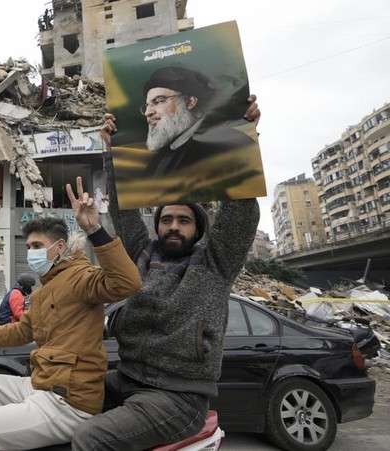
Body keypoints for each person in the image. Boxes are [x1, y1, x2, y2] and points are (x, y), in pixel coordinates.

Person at [69, 105, 261, 451]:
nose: (174, 225)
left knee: (90, 439)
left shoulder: (216, 263)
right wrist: (113, 152)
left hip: (179, 396)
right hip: (127, 378)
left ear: (198, 228)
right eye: (167, 219)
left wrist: (244, 138)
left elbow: (241, 209)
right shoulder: (141, 255)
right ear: (156, 226)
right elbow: (122, 207)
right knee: (60, 392)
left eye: (184, 220)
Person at [0, 177, 142, 450]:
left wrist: (94, 228)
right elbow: (22, 331)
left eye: (37, 246)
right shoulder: (44, 290)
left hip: (67, 400)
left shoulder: (80, 277)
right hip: (43, 385)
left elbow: (127, 283)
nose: (31, 253)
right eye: (28, 247)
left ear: (58, 248)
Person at [138, 66, 260, 177]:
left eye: (159, 101)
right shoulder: (160, 157)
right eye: (147, 106)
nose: (148, 112)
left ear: (190, 102)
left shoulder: (229, 142)